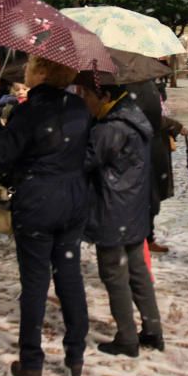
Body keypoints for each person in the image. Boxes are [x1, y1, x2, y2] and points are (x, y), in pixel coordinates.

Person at [0, 57, 91, 376]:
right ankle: (75, 353)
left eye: (30, 66)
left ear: (41, 73)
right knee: (69, 276)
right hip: (73, 201)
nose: (25, 69)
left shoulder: (30, 112)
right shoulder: (79, 107)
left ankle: (31, 362)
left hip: (38, 203)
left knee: (36, 283)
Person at [76, 73, 164, 358]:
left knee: (115, 275)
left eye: (86, 94)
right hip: (133, 210)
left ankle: (127, 338)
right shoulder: (132, 117)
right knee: (138, 272)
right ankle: (152, 330)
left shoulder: (110, 128)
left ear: (104, 96)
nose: (83, 100)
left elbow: (84, 162)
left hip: (112, 211)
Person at [126, 79, 186, 253]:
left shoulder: (146, 83)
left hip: (149, 148)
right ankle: (142, 239)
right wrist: (174, 125)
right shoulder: (134, 84)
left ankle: (146, 237)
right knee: (147, 197)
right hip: (144, 149)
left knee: (149, 198)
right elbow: (149, 117)